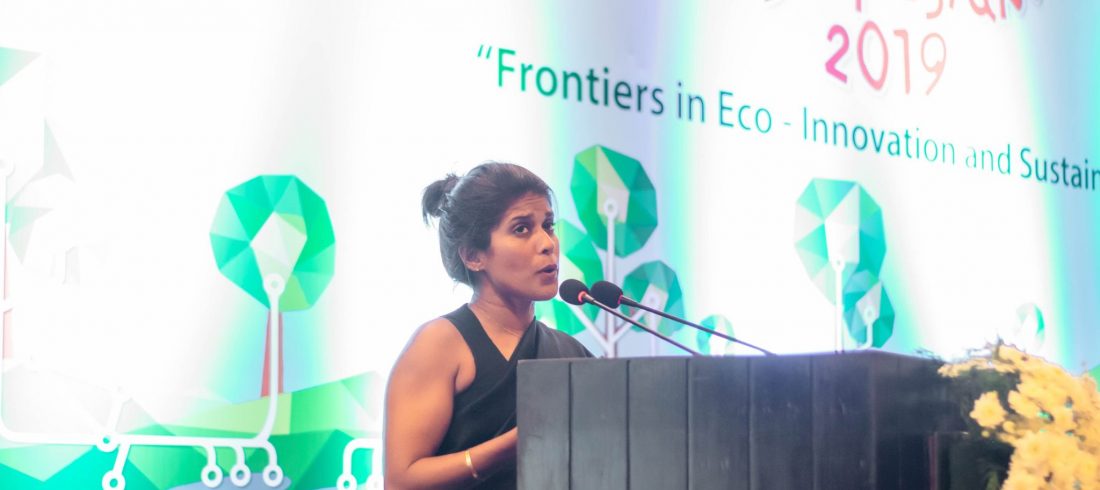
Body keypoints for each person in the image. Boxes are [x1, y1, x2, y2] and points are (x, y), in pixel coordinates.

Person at [384, 162, 593, 489]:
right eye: (521, 229)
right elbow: (401, 481)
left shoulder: (571, 351)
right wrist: (511, 445)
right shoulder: (439, 344)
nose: (547, 243)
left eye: (548, 225)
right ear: (473, 256)